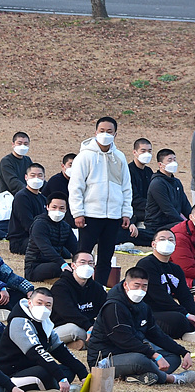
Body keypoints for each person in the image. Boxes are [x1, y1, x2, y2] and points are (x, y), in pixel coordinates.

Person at [87, 267, 194, 385]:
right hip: (106, 358)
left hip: (132, 353)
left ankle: (139, 376)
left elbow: (157, 334)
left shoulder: (143, 306)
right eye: (136, 285)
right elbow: (124, 340)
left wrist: (183, 352)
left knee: (173, 357)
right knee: (140, 360)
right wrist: (154, 355)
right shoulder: (113, 307)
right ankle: (172, 379)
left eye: (144, 286)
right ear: (125, 285)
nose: (140, 290)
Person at [69, 117, 134, 288]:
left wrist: (126, 212)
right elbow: (76, 187)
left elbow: (126, 187)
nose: (105, 134)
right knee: (83, 254)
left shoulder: (119, 157)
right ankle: (77, 286)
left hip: (113, 215)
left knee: (105, 257)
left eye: (109, 131)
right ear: (95, 132)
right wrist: (78, 212)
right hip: (90, 214)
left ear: (115, 134)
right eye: (102, 131)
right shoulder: (84, 156)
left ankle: (99, 289)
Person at [0, 288, 88, 392]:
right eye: (39, 303)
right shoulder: (19, 321)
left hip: (31, 369)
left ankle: (44, 390)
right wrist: (61, 378)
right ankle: (56, 390)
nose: (43, 308)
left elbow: (60, 350)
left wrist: (82, 373)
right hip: (9, 373)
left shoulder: (46, 323)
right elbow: (36, 352)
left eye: (48, 305)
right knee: (46, 373)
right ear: (29, 302)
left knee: (68, 369)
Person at [136, 230, 195, 339]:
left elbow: (185, 295)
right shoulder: (146, 264)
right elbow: (159, 296)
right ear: (153, 244)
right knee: (179, 319)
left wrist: (192, 313)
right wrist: (186, 314)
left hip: (167, 311)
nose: (167, 242)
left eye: (171, 239)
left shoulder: (175, 269)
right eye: (162, 239)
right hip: (148, 311)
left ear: (175, 244)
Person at [50, 252, 105, 350]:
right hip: (61, 327)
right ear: (73, 265)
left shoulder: (97, 288)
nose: (87, 266)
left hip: (87, 326)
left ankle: (79, 344)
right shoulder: (60, 287)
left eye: (90, 263)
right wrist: (89, 326)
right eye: (82, 262)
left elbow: (106, 308)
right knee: (74, 330)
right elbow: (67, 312)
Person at [25, 192, 78, 281]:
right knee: (60, 268)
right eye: (54, 207)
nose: (58, 211)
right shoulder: (39, 224)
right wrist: (62, 263)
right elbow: (45, 248)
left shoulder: (65, 227)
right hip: (35, 267)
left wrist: (82, 262)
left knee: (77, 268)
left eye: (61, 208)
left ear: (66, 210)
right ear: (48, 207)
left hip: (55, 263)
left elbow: (75, 247)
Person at [145, 149, 191, 235]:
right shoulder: (157, 183)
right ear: (160, 164)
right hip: (158, 225)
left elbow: (185, 205)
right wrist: (185, 225)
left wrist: (192, 219)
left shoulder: (176, 182)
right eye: (169, 160)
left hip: (173, 223)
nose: (173, 162)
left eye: (174, 159)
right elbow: (168, 210)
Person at [7, 162, 48, 254]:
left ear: (44, 178)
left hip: (38, 236)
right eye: (32, 175)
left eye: (39, 175)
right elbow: (27, 223)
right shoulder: (21, 197)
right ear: (26, 177)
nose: (36, 178)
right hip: (21, 240)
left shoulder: (43, 199)